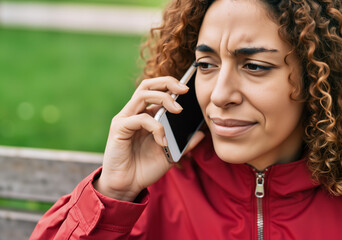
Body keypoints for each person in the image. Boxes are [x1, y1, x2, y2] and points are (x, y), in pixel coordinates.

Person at [30, 0, 342, 239]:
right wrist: (114, 195)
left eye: (255, 66)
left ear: (317, 75)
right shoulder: (152, 191)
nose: (219, 95)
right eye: (206, 64)